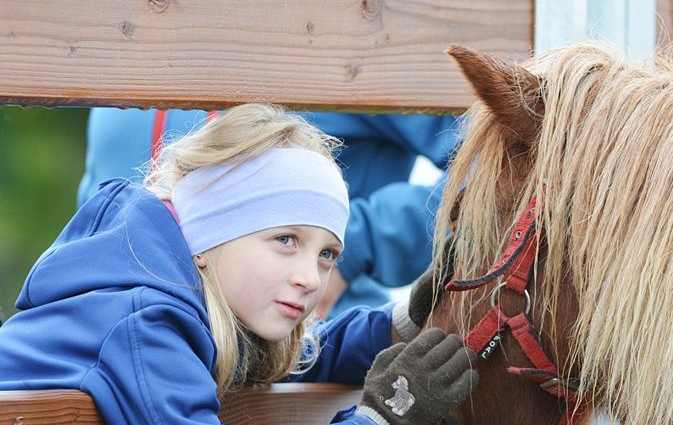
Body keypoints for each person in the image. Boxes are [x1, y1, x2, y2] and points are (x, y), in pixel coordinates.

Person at [0, 104, 478, 425]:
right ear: (211, 234)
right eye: (285, 239)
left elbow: (283, 357)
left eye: (327, 254)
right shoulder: (145, 323)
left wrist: (399, 324)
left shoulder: (187, 294)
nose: (311, 278)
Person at [77, 108, 459, 318]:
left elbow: (506, 161)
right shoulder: (127, 18)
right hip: (122, 356)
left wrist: (357, 243)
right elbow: (97, 201)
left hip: (314, 369)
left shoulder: (365, 16)